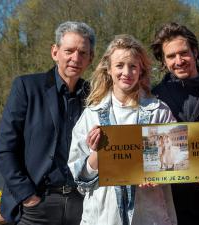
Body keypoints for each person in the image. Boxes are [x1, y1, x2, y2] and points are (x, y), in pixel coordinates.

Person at [68, 34, 177, 225]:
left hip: (148, 216)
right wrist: (97, 155)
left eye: (133, 66)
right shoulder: (91, 115)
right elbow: (79, 178)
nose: (126, 72)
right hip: (102, 217)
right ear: (108, 69)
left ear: (141, 70)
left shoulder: (158, 111)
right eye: (119, 65)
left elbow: (176, 163)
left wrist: (159, 176)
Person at [0, 21, 95, 224]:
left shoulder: (94, 95)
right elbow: (4, 149)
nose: (76, 58)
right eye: (69, 51)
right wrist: (27, 196)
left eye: (83, 53)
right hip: (37, 205)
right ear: (55, 52)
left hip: (82, 205)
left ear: (91, 58)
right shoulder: (27, 87)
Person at [151, 22, 199, 225]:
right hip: (172, 202)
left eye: (184, 53)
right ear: (163, 61)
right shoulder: (154, 97)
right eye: (171, 56)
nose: (179, 60)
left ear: (195, 51)